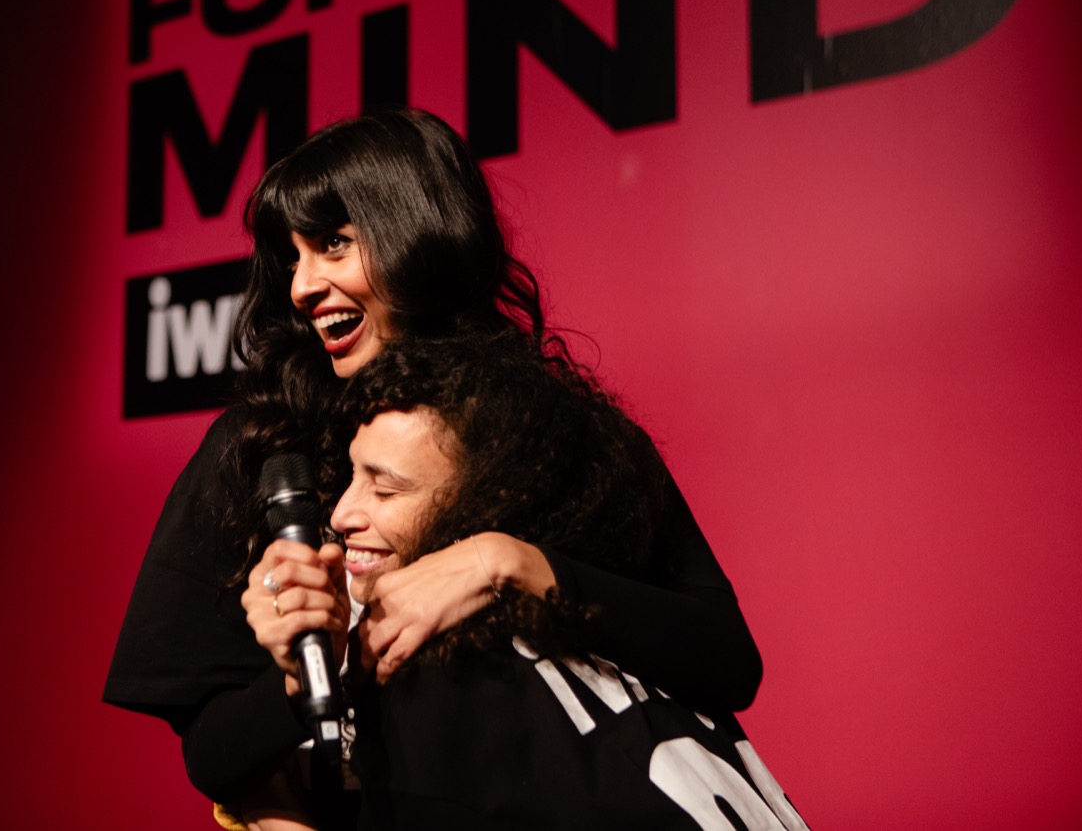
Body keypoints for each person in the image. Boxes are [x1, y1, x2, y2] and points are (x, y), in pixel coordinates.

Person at [103, 109, 761, 828]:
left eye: (333, 244)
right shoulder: (264, 449)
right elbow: (217, 753)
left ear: (416, 232)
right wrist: (314, 673)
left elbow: (727, 660)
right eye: (291, 257)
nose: (301, 286)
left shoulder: (569, 433)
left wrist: (509, 565)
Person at [247, 335, 805, 829]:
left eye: (386, 489)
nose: (341, 513)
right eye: (351, 476)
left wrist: (501, 561)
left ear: (486, 499)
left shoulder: (449, 685)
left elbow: (733, 661)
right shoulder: (606, 643)